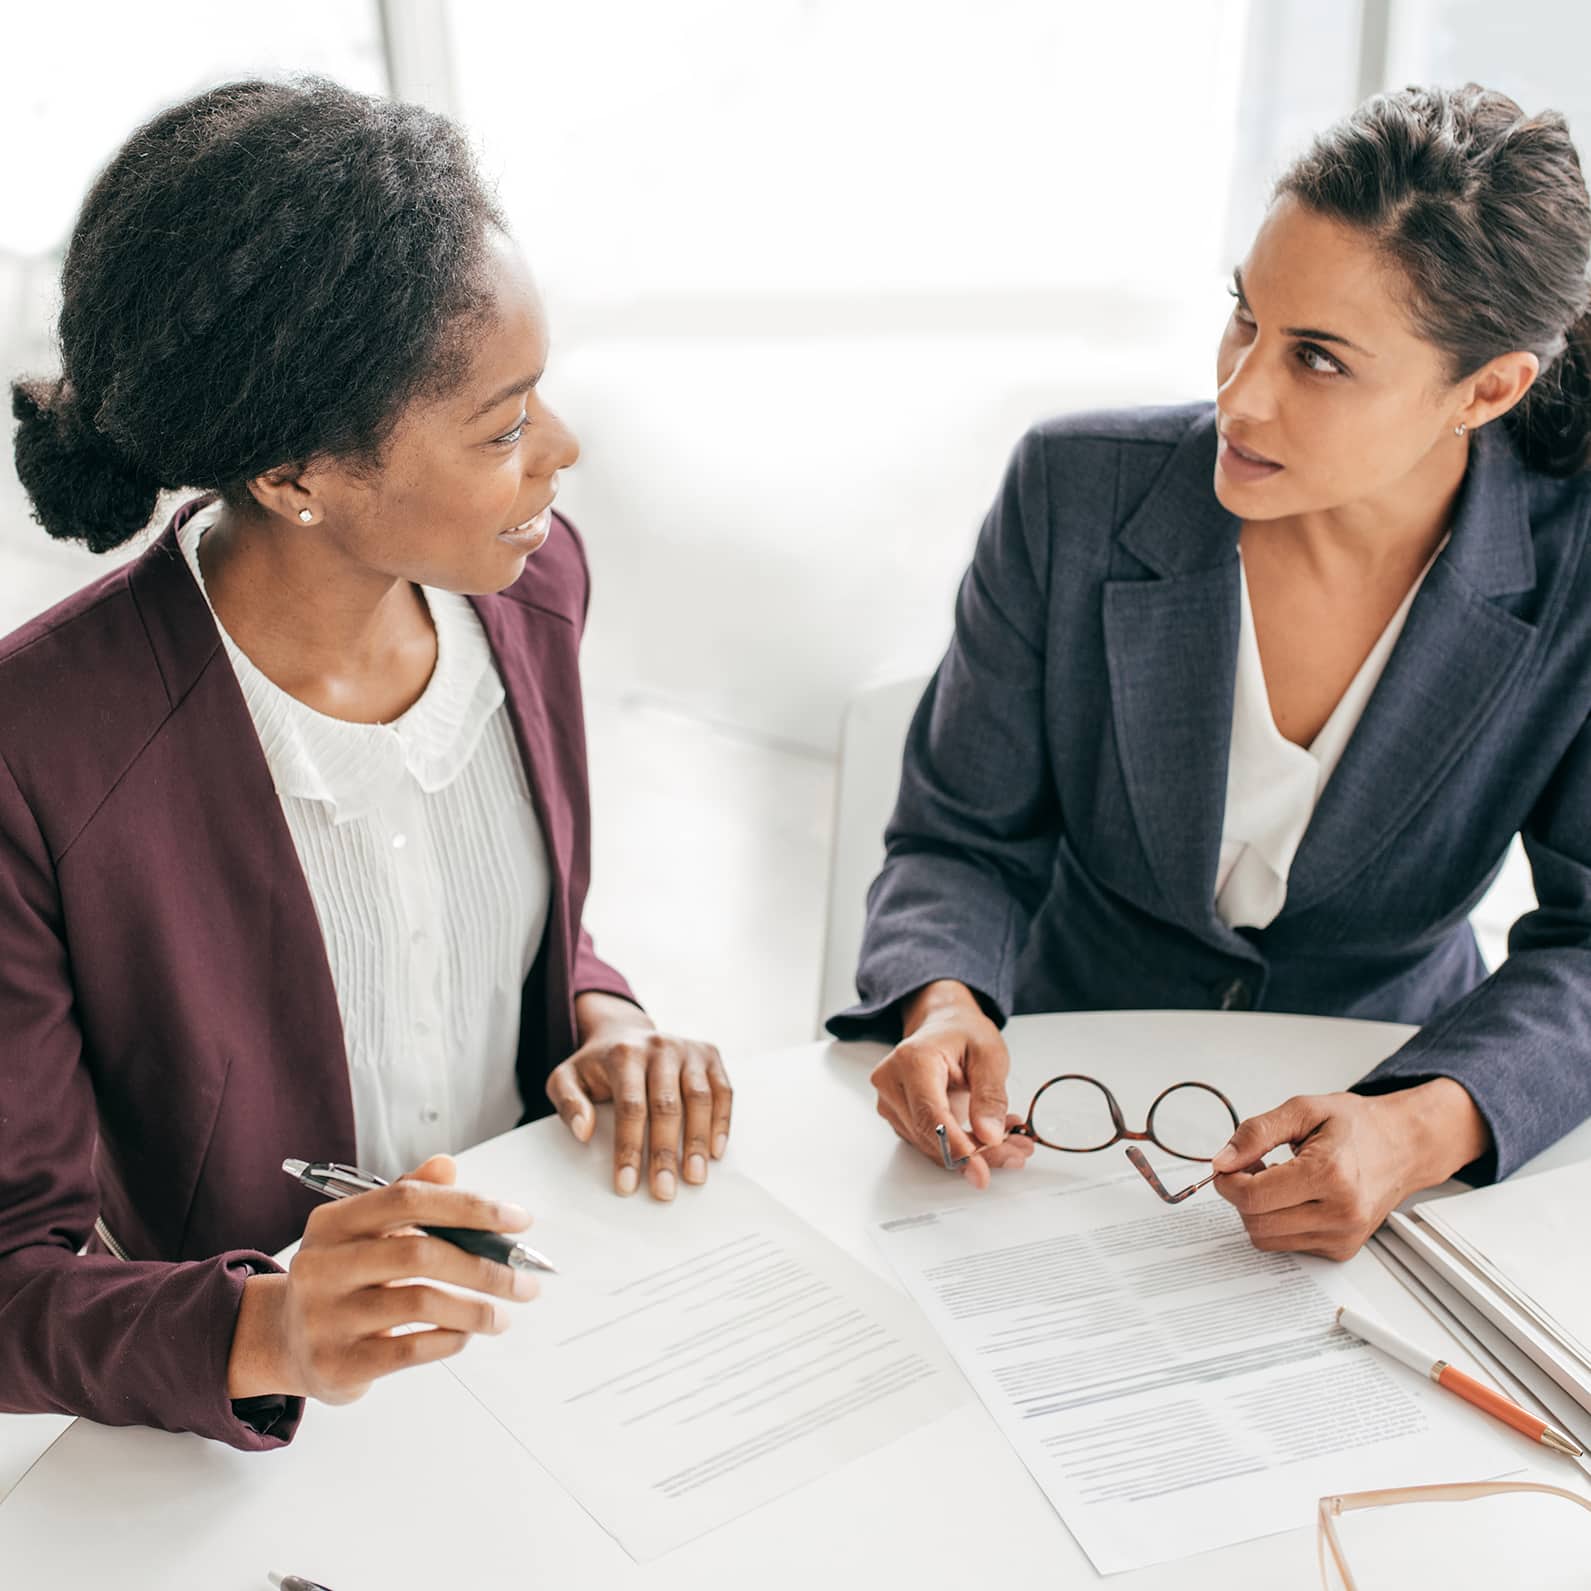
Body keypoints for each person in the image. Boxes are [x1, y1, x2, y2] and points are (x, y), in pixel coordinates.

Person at [0, 78, 731, 1450]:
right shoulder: (36, 750)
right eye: (504, 424)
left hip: (548, 1341)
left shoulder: (533, 584)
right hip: (270, 1439)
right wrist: (267, 1325)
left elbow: (525, 936)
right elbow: (9, 1270)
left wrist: (605, 1021)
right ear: (295, 475)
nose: (561, 453)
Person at [833, 84, 1591, 1260]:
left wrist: (1424, 1127)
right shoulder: (1074, 492)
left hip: (1380, 1120)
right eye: (1244, 316)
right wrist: (945, 1000)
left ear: (1486, 390)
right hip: (1058, 1109)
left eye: (1319, 359)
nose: (1239, 394)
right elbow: (959, 839)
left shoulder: (1575, 575)